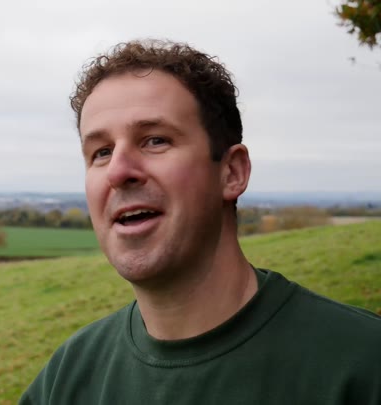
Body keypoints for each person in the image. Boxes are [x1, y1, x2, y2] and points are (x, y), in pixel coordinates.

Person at [19, 39, 381, 404]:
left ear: (231, 172)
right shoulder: (67, 377)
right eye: (101, 152)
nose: (118, 171)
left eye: (155, 140)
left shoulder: (362, 366)